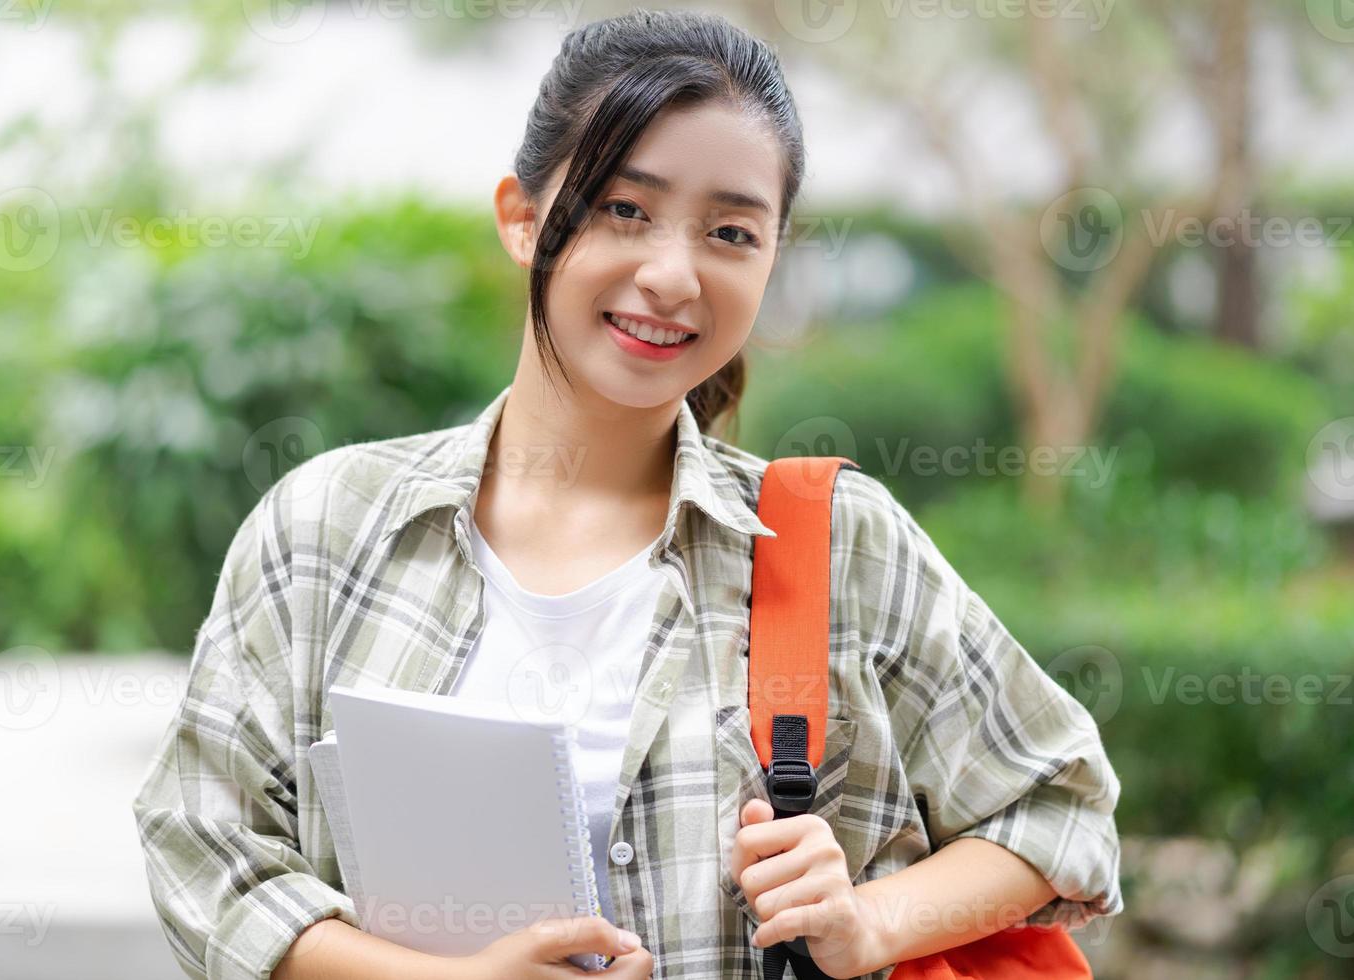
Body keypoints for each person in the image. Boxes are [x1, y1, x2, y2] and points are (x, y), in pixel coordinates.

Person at [131, 9, 1123, 980]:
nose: (672, 273)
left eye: (732, 231)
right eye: (624, 208)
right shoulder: (326, 530)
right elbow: (206, 846)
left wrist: (866, 916)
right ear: (523, 220)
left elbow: (1059, 806)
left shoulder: (834, 542)